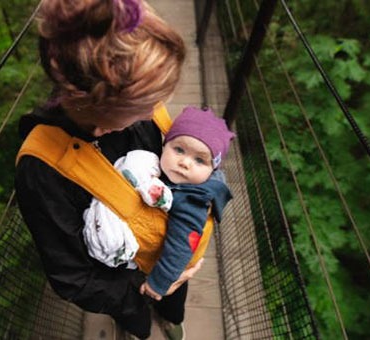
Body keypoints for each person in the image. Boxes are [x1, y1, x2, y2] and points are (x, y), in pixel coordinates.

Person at [15, 0, 202, 339]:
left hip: (169, 249)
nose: (157, 108)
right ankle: (139, 328)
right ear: (104, 120)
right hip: (121, 283)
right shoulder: (41, 171)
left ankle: (171, 317)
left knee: (174, 303)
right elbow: (72, 276)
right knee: (137, 322)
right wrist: (145, 288)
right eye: (146, 105)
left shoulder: (140, 115)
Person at [82, 106, 234, 300]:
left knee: (173, 300)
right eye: (179, 149)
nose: (185, 163)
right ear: (165, 145)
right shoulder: (173, 177)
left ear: (212, 170)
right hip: (160, 255)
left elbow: (182, 246)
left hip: (171, 268)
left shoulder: (192, 201)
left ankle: (172, 318)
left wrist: (159, 283)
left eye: (199, 160)